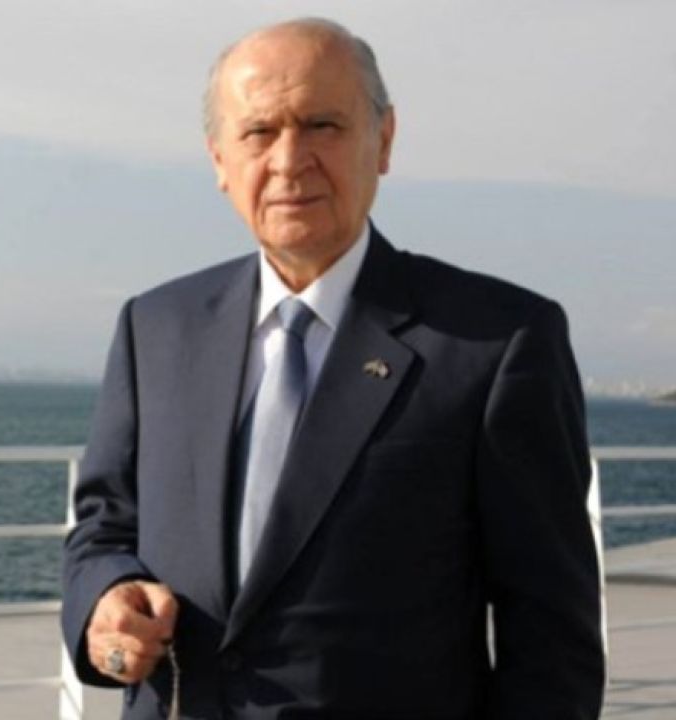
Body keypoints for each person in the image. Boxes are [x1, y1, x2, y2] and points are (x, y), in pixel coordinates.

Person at [61, 17, 605, 719]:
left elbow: (551, 638)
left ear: (384, 139)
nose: (290, 161)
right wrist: (105, 600)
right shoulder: (155, 326)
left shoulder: (496, 342)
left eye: (322, 125)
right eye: (259, 132)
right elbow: (103, 527)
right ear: (220, 160)